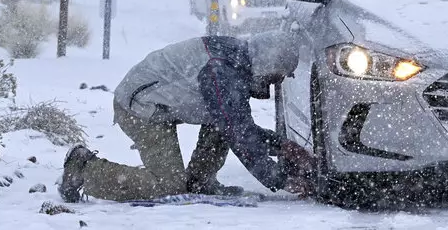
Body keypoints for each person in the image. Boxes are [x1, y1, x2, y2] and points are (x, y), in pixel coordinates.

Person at [58, 31, 315, 203]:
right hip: (140, 108)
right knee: (168, 187)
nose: (278, 81)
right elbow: (239, 134)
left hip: (159, 104)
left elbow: (238, 125)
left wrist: (283, 147)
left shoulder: (238, 61)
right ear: (269, 62)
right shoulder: (223, 72)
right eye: (279, 74)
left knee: (223, 123)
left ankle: (199, 182)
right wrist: (279, 179)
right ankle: (84, 169)